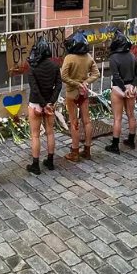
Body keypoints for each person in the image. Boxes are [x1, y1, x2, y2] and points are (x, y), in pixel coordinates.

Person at [60, 32, 100, 161]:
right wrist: (85, 83)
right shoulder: (88, 57)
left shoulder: (69, 58)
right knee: (87, 121)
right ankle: (87, 150)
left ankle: (75, 152)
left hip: (72, 92)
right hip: (84, 92)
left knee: (74, 123)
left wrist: (76, 84)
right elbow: (96, 74)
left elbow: (63, 76)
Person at [26, 37, 61, 174]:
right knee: (50, 132)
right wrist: (50, 102)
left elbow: (34, 88)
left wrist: (42, 104)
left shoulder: (32, 68)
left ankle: (35, 165)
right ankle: (50, 161)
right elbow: (58, 85)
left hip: (36, 103)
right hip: (50, 103)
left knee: (35, 135)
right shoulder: (55, 66)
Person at [105, 32, 137, 152]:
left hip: (118, 88)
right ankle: (131, 140)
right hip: (131, 88)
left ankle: (115, 145)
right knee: (131, 115)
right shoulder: (133, 57)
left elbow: (116, 76)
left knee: (117, 118)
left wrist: (124, 90)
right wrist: (132, 86)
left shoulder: (114, 58)